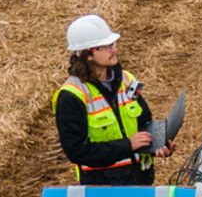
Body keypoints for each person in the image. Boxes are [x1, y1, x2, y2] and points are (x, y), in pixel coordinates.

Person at [53, 14, 172, 185]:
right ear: (88, 55)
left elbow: (144, 121)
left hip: (141, 180)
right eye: (106, 47)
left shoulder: (127, 79)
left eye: (113, 45)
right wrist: (127, 146)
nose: (114, 50)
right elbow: (77, 151)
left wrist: (158, 143)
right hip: (103, 188)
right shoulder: (71, 96)